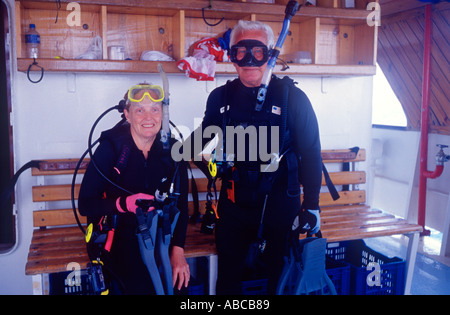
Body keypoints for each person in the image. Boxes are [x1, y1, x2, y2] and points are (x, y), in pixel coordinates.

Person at [187, 20, 323, 294]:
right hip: (234, 204)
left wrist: (312, 205)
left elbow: (311, 153)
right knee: (228, 279)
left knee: (279, 276)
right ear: (231, 56)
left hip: (280, 204)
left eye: (258, 52)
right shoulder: (220, 97)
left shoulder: (292, 99)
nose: (249, 60)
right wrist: (170, 147)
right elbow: (196, 143)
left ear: (270, 54)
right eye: (240, 52)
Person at [78, 83, 190, 294]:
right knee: (142, 286)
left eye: (155, 109)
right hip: (120, 237)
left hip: (162, 237)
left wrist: (178, 251)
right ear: (127, 115)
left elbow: (181, 205)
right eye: (140, 110)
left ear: (163, 114)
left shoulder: (174, 150)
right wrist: (123, 204)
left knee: (179, 284)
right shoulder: (111, 148)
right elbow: (86, 204)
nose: (148, 117)